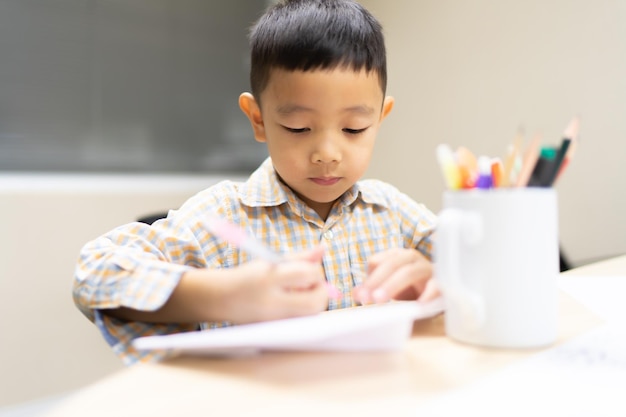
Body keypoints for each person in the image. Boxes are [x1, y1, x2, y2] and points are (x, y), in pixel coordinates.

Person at [73, 0, 439, 365]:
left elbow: (485, 268)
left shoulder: (392, 213)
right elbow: (95, 273)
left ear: (380, 117)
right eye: (298, 128)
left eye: (353, 128)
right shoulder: (221, 216)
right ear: (258, 119)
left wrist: (440, 278)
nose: (327, 153)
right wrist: (225, 294)